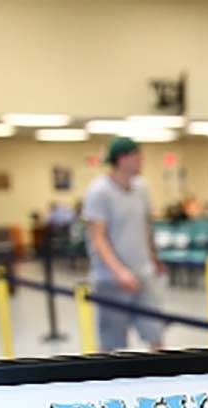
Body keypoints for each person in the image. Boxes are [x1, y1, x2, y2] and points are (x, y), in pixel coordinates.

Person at [82, 137, 165, 351]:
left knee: (155, 333)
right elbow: (98, 237)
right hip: (110, 279)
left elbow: (146, 226)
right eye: (137, 156)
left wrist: (153, 258)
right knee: (111, 343)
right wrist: (119, 272)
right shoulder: (99, 192)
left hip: (143, 273)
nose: (142, 161)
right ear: (122, 159)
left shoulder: (141, 188)